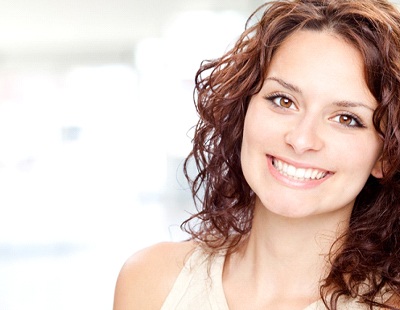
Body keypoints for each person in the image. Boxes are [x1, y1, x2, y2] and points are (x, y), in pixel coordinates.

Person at [113, 0, 400, 309]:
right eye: (283, 100)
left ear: (386, 155)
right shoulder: (151, 281)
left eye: (346, 119)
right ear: (244, 109)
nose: (301, 139)